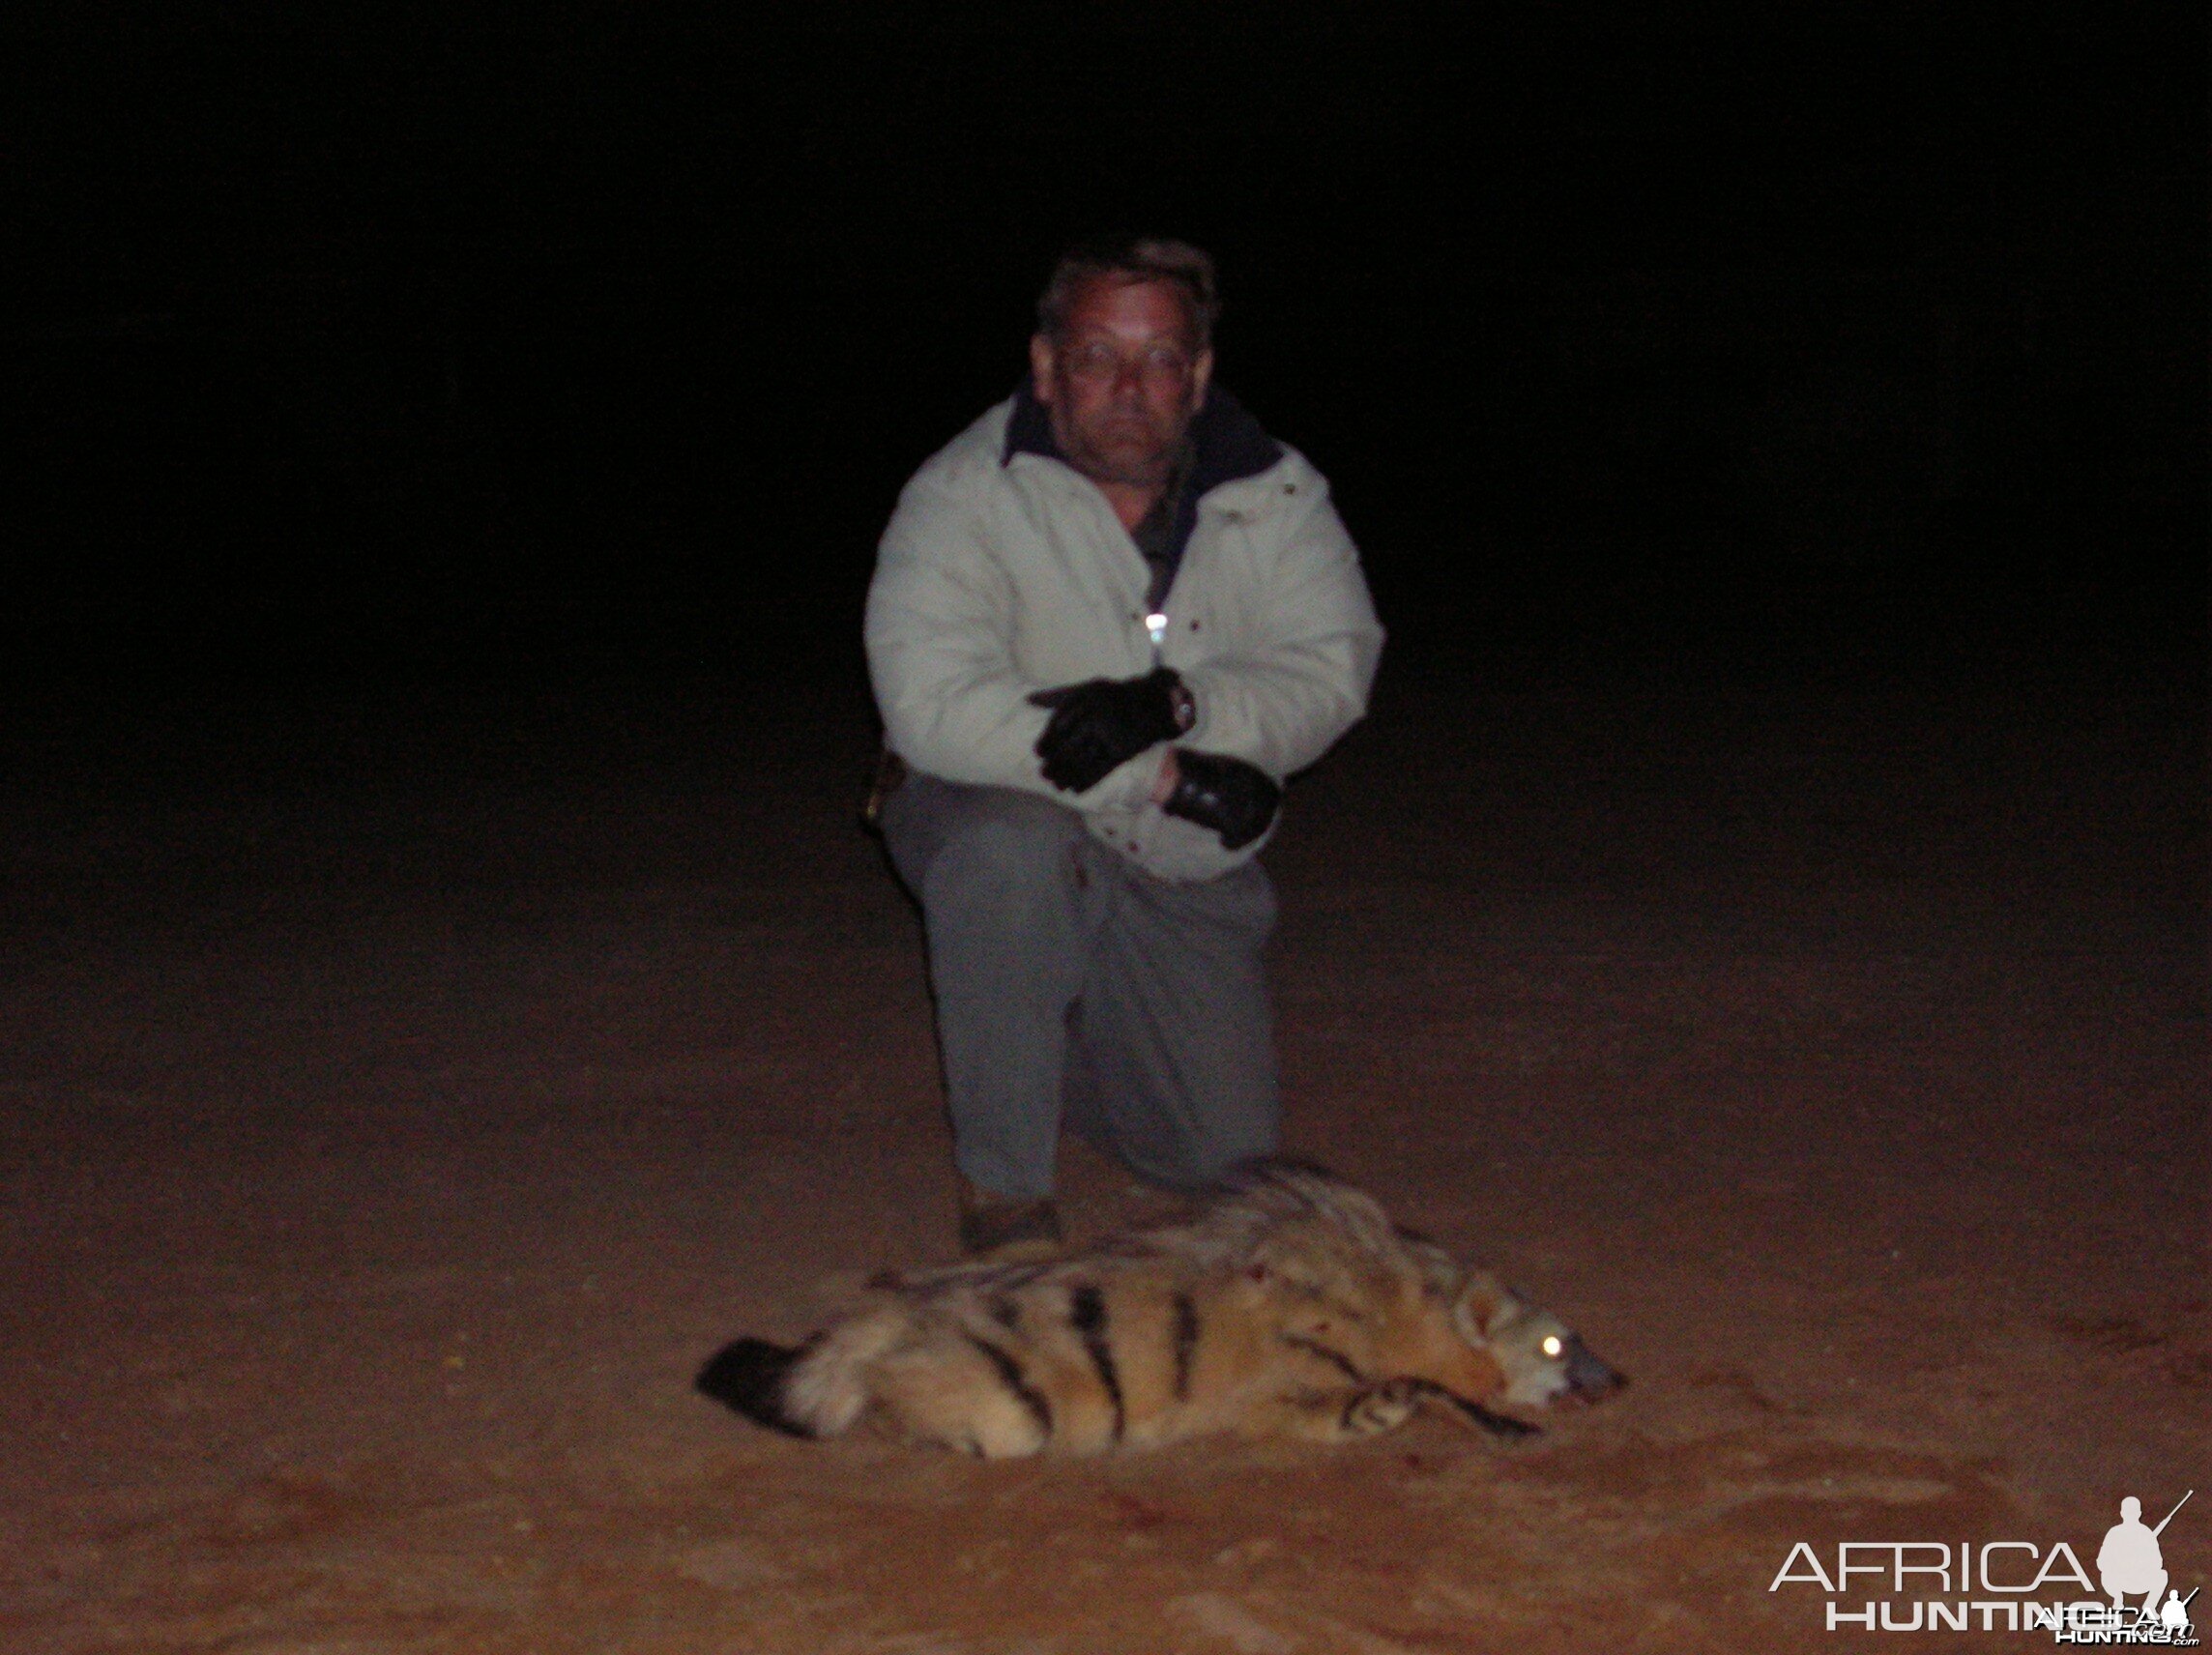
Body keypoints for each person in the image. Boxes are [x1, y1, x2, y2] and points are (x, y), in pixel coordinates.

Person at [864, 236, 1383, 1256]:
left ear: (1196, 375)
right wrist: (1161, 768)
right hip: (1000, 804)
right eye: (1097, 355)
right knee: (1011, 856)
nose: (1128, 387)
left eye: (1158, 359)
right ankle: (1004, 1194)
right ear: (1047, 366)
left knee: (1218, 1155)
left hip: (1171, 850)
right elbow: (930, 706)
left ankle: (1022, 1030)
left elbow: (1332, 668)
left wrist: (1179, 702)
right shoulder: (961, 490)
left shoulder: (1278, 492)